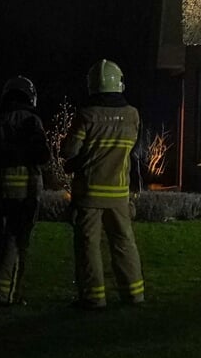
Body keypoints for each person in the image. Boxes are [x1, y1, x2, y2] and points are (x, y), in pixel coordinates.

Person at [62, 59, 145, 310]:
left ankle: (93, 298)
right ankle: (134, 295)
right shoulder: (132, 115)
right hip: (119, 194)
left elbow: (68, 151)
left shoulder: (87, 115)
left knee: (88, 246)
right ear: (119, 83)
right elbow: (135, 149)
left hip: (89, 194)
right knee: (124, 243)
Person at [0, 75, 50, 306]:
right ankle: (6, 293)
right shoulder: (31, 120)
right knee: (16, 242)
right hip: (22, 193)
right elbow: (42, 155)